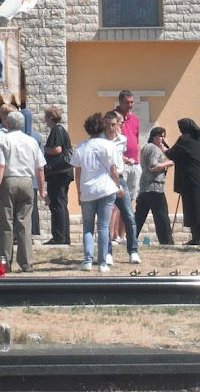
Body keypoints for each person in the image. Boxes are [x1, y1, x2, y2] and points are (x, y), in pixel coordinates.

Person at [0, 110, 46, 272]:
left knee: (5, 224)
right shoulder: (31, 141)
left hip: (8, 181)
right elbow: (40, 168)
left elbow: (0, 167)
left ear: (6, 123)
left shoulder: (2, 140)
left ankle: (5, 263)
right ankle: (27, 263)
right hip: (27, 182)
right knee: (24, 224)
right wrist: (42, 190)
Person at [72, 112, 121, 272]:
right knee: (103, 226)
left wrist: (79, 192)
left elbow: (77, 172)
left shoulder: (80, 147)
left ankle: (87, 260)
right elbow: (114, 170)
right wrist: (118, 185)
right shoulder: (109, 146)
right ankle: (102, 262)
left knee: (87, 227)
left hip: (87, 190)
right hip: (106, 189)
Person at [102, 111, 141, 264]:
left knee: (129, 215)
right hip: (105, 179)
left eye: (113, 125)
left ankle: (133, 251)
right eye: (108, 125)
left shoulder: (122, 140)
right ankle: (107, 253)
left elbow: (117, 158)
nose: (111, 128)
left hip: (119, 177)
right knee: (105, 218)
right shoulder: (100, 140)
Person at [166, 118, 200, 245]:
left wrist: (161, 146)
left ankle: (197, 237)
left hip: (190, 178)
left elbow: (172, 154)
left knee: (192, 208)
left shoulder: (185, 139)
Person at [135, 127, 174, 245]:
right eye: (160, 136)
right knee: (162, 216)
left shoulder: (146, 147)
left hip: (144, 187)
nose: (162, 139)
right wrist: (169, 162)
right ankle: (166, 241)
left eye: (163, 136)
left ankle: (131, 237)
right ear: (153, 136)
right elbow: (152, 166)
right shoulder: (153, 149)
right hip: (155, 187)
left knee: (139, 216)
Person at [42, 106, 73, 246]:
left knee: (57, 204)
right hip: (62, 174)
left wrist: (43, 148)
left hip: (58, 174)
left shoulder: (57, 130)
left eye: (46, 117)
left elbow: (57, 149)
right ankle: (63, 236)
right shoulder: (60, 130)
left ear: (50, 117)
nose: (44, 120)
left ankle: (59, 237)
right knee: (61, 204)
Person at [114, 91, 141, 202]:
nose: (130, 105)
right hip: (121, 165)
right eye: (127, 102)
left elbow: (137, 141)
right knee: (118, 200)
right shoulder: (113, 119)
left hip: (134, 164)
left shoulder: (134, 118)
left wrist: (138, 160)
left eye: (131, 102)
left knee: (130, 199)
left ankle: (125, 220)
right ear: (120, 102)